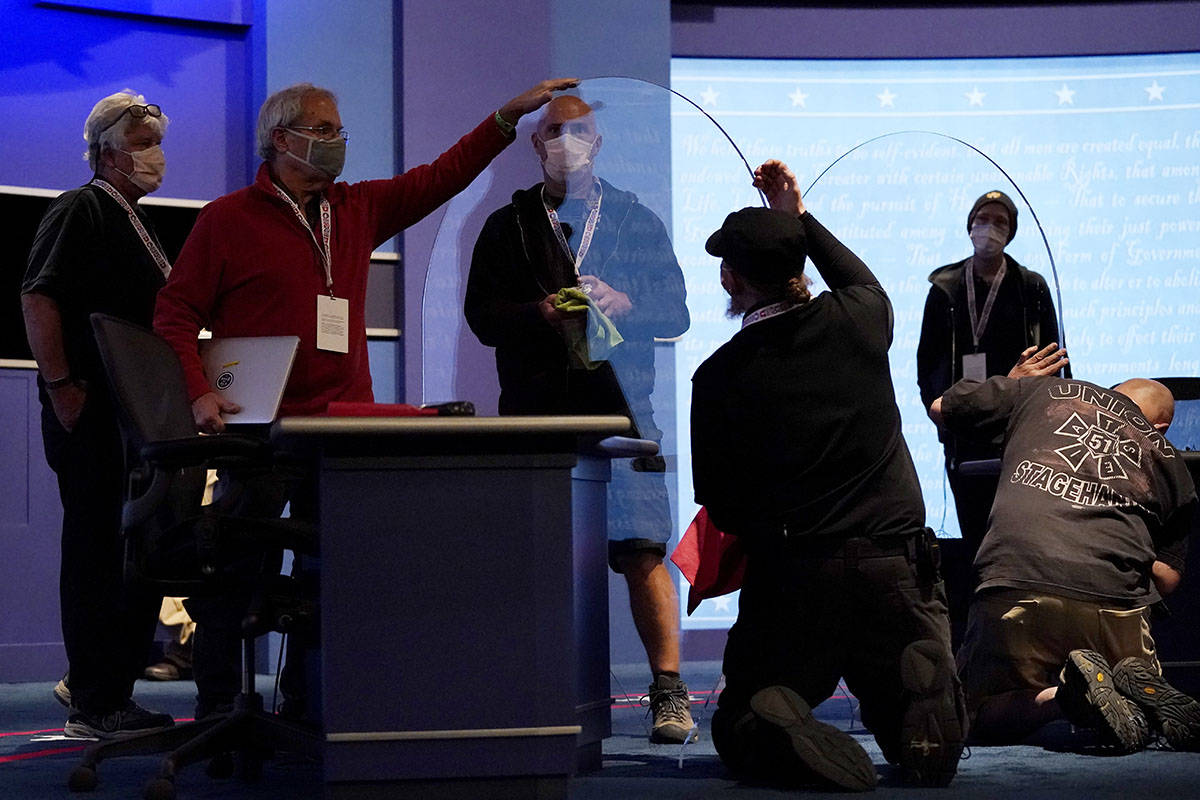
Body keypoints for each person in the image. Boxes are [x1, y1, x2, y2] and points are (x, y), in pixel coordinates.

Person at [153, 78, 577, 718]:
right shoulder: (227, 219)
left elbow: (440, 177)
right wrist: (199, 392)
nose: (336, 141)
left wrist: (504, 118)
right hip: (258, 431)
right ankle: (218, 709)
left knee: (335, 577)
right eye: (322, 131)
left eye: (338, 129)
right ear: (281, 139)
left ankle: (306, 705)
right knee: (239, 571)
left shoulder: (354, 208)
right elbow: (174, 315)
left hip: (343, 427)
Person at [693, 160, 966, 791]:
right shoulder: (861, 319)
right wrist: (797, 215)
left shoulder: (719, 375)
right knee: (904, 703)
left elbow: (723, 505)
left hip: (795, 573)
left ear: (731, 279)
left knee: (740, 721)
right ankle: (923, 723)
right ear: (798, 273)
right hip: (897, 563)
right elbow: (855, 276)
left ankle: (780, 729)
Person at [465, 95, 695, 743]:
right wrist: (537, 314)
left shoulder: (633, 219)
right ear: (536, 147)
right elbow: (481, 318)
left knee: (644, 550)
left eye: (579, 132)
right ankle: (533, 691)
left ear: (599, 142)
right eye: (553, 134)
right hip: (537, 416)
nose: (566, 142)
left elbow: (676, 311)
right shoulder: (506, 227)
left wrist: (627, 302)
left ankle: (670, 693)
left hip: (623, 410)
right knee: (536, 560)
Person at [930, 373, 1199, 751]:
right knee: (1131, 685)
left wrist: (1011, 381)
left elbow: (942, 407)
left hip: (1018, 581)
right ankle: (1132, 684)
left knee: (975, 712)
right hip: (1114, 602)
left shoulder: (1043, 390)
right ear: (1162, 426)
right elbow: (1168, 578)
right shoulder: (1174, 464)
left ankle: (1064, 697)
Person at [21, 90, 175, 738]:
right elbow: (39, 297)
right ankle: (95, 704)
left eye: (156, 140)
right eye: (142, 142)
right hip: (88, 408)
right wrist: (62, 386)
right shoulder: (80, 209)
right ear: (107, 151)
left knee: (130, 552)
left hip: (133, 414)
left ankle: (101, 682)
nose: (155, 155)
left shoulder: (135, 220)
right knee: (94, 549)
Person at [916, 190, 1065, 549]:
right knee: (974, 534)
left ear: (1011, 232)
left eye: (1000, 222)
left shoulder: (1031, 286)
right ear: (969, 225)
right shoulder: (945, 287)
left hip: (1019, 424)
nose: (989, 228)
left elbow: (1055, 359)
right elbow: (928, 362)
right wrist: (939, 412)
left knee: (1016, 530)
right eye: (983, 219)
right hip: (965, 422)